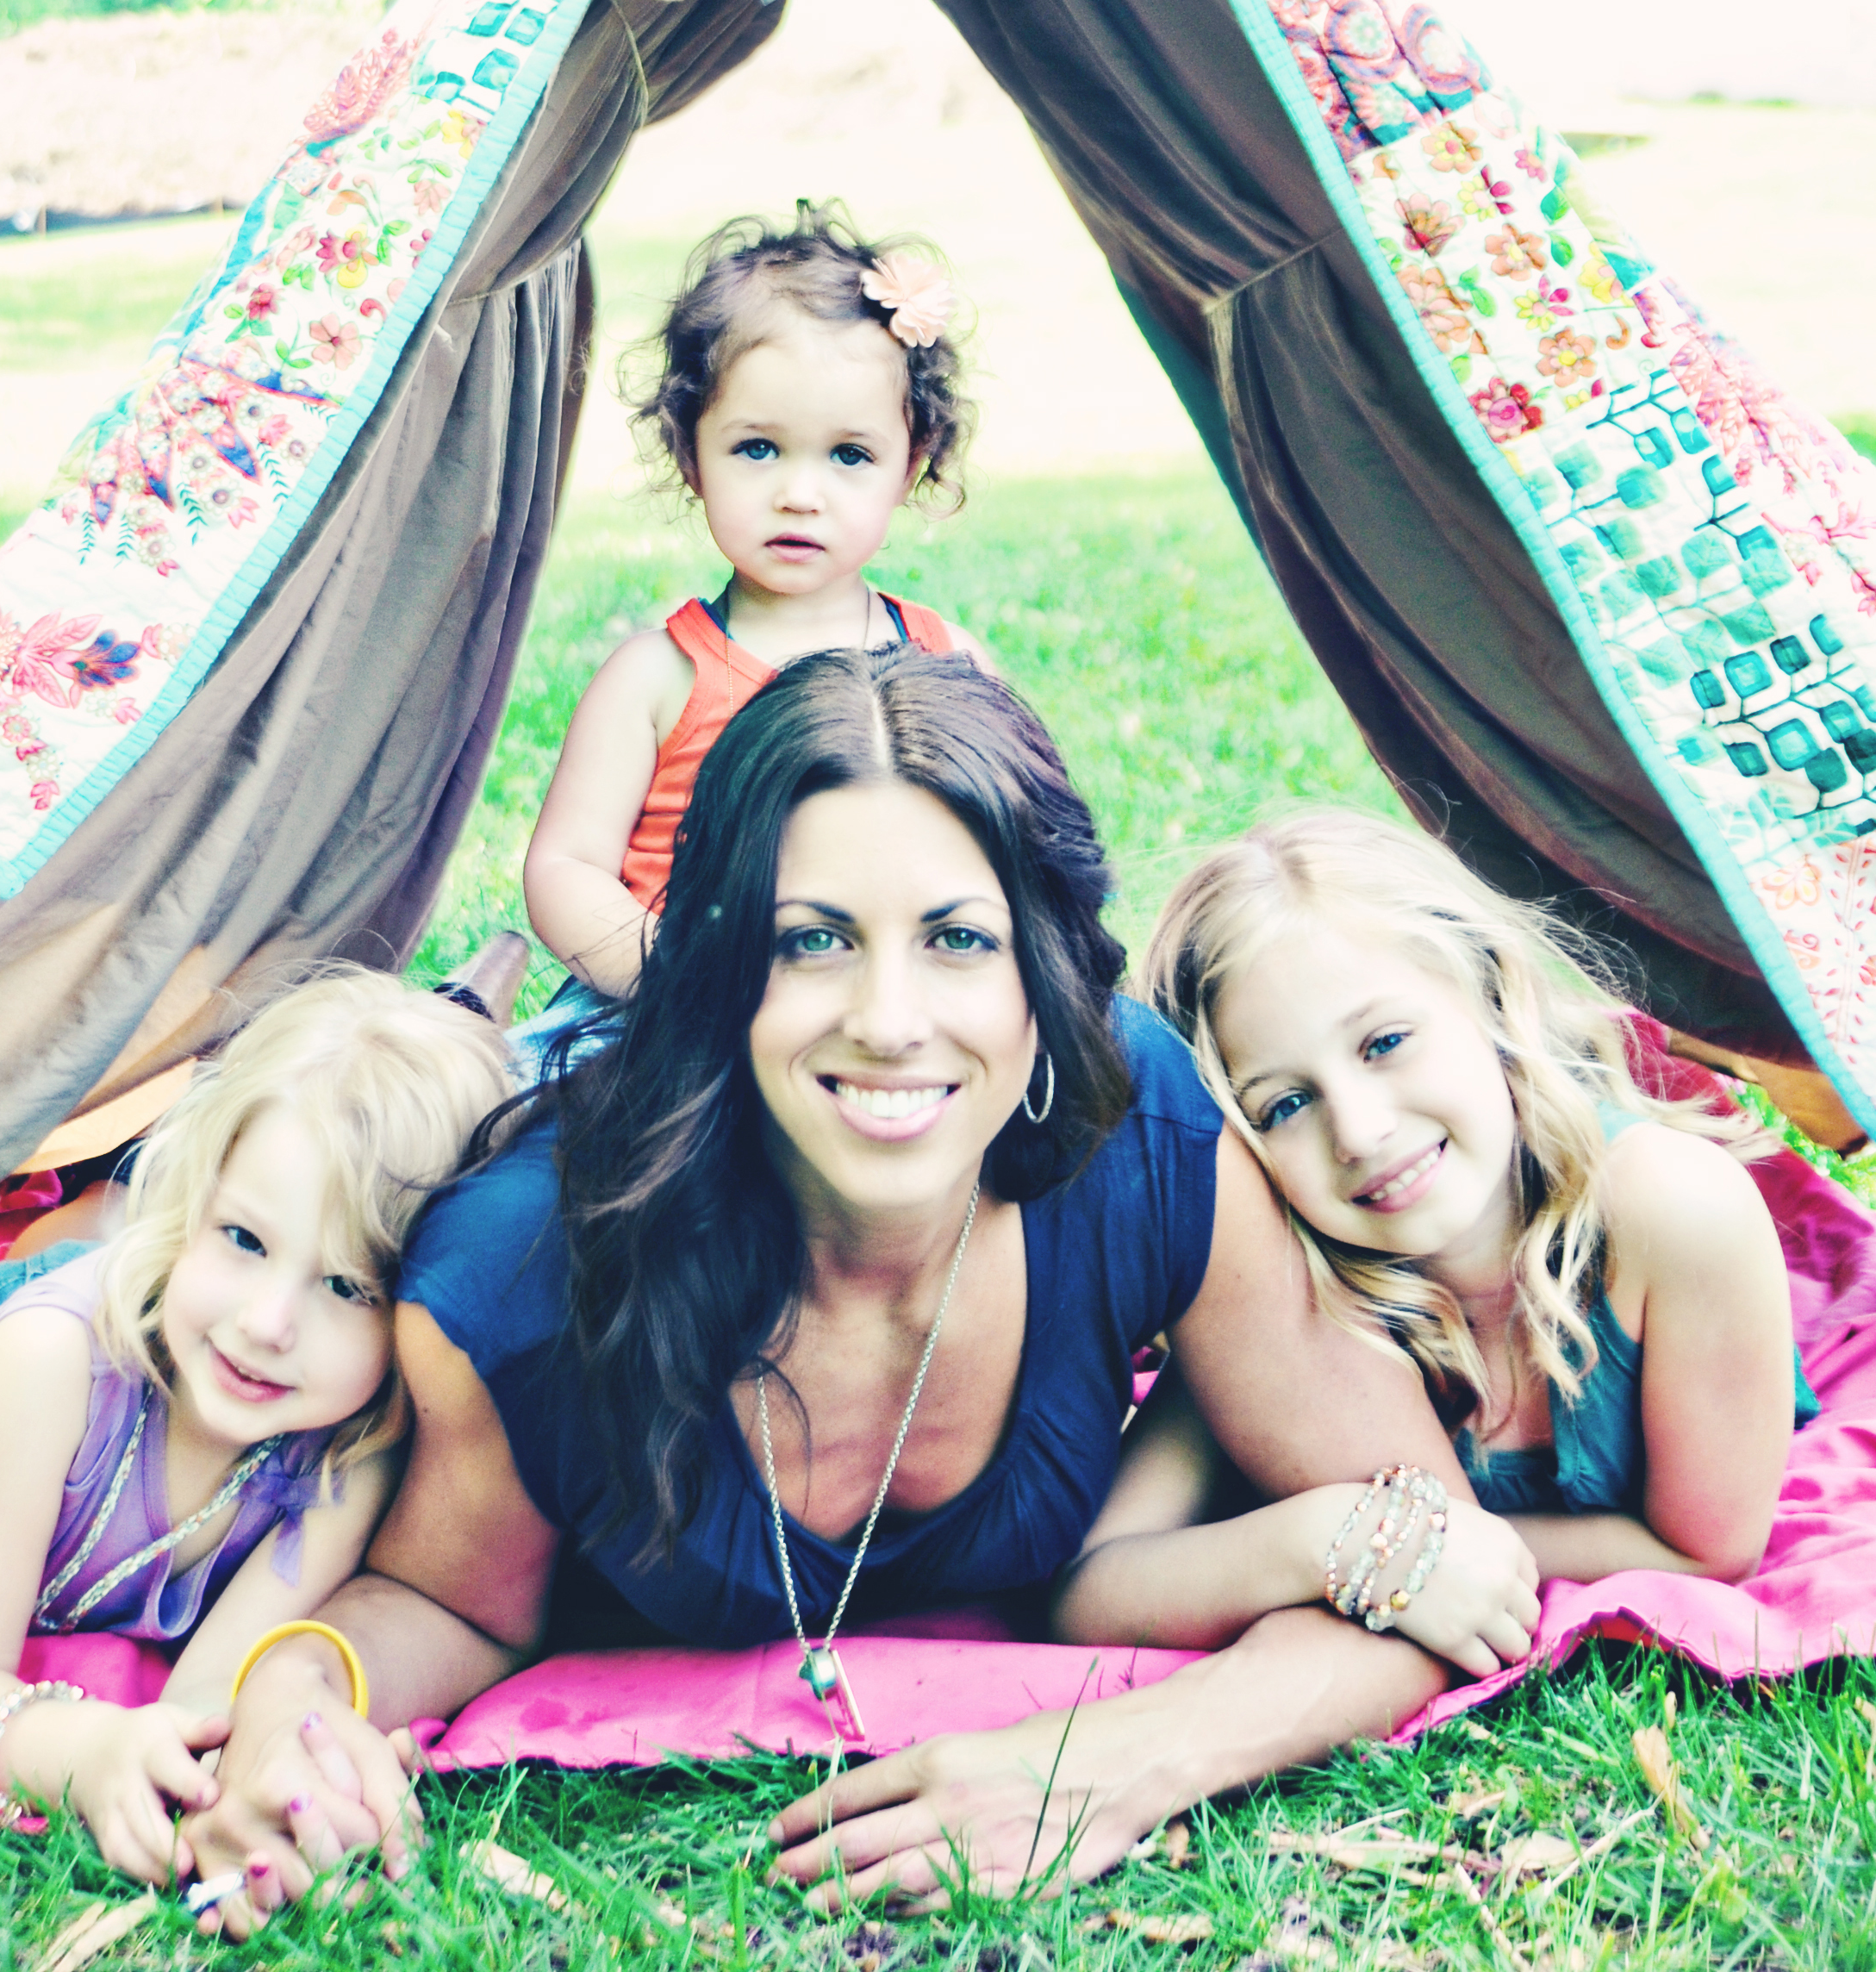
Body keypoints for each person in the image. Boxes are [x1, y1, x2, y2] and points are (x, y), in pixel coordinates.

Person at [185, 657, 1538, 1929]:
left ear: (1042, 967)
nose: (889, 1019)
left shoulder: (1135, 1136)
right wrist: (294, 1709)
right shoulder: (524, 1266)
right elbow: (451, 1602)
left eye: (956, 938)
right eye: (813, 940)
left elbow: (1438, 1557)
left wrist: (1110, 1763)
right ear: (718, 971)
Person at [0, 970, 507, 1892]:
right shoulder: (44, 1366)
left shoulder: (353, 1444)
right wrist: (83, 1750)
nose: (268, 1322)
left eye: (346, 1285)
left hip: (157, 1311)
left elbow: (207, 1705)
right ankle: (91, 1227)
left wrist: (236, 1802)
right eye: (243, 1236)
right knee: (57, 1270)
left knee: (130, 1266)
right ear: (198, 1196)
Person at [1141, 809, 1805, 1589]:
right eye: (1284, 1104)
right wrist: (1319, 1545)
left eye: (1384, 1042)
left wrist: (1394, 1547)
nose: (1358, 1130)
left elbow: (1707, 1551)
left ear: (1491, 992)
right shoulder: (1274, 1289)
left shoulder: (1677, 1210)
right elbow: (1089, 1583)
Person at [523, 206, 986, 1004]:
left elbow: (1012, 849)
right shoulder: (655, 677)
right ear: (691, 455)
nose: (799, 493)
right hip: (669, 1005)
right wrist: (675, 980)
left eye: (850, 454)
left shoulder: (948, 660)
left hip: (886, 1002)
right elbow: (566, 865)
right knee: (523, 1086)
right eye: (757, 448)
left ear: (909, 467)